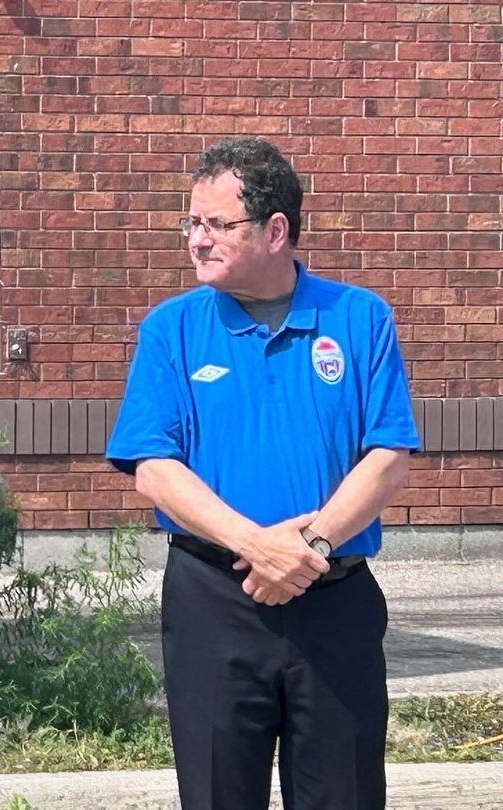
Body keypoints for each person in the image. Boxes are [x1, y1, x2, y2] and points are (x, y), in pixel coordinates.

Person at [106, 137, 419, 809]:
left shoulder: (360, 319)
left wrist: (310, 548)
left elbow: (389, 454)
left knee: (347, 795)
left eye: (218, 224)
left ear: (276, 230)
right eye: (191, 222)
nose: (197, 240)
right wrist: (257, 545)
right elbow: (154, 470)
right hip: (213, 604)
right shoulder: (172, 330)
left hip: (334, 602)